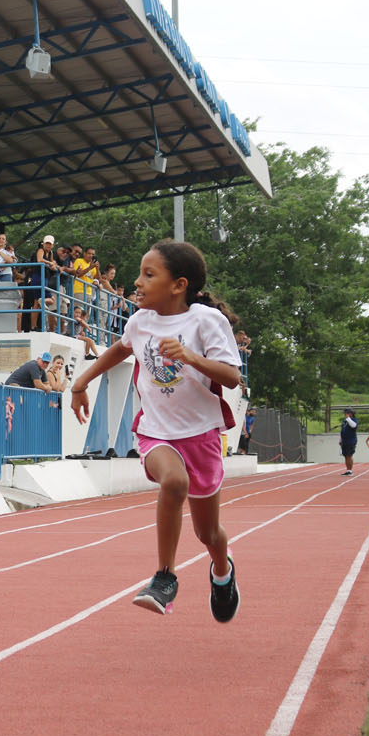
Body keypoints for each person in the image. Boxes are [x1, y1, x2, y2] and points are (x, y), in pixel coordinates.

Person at [70, 239, 242, 621]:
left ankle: (222, 570)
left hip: (201, 435)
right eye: (140, 273)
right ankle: (165, 577)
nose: (138, 281)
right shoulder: (140, 321)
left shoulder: (206, 321)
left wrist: (191, 357)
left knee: (208, 534)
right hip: (156, 432)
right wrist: (80, 383)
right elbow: (120, 349)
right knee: (174, 482)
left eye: (149, 274)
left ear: (178, 285)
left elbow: (232, 377)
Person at [340, 408, 359, 476]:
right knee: (345, 455)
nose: (345, 414)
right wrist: (341, 439)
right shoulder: (344, 421)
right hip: (344, 440)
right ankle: (348, 470)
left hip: (351, 440)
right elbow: (342, 430)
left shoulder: (354, 420)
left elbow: (354, 426)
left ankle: (350, 471)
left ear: (351, 413)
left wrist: (348, 418)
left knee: (349, 455)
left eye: (347, 413)